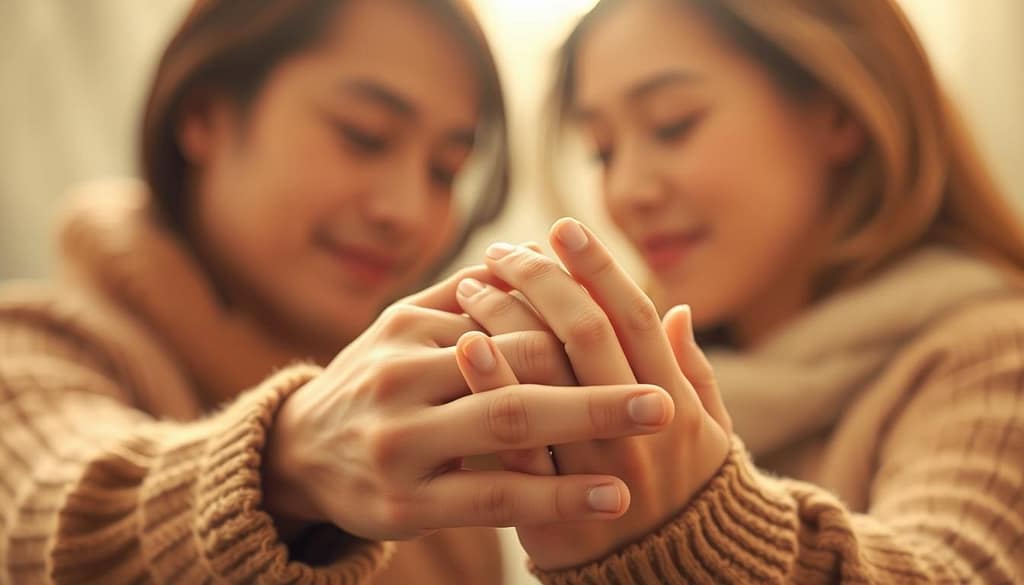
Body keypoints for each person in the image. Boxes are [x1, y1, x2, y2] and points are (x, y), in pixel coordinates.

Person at [0, 1, 677, 582]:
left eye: (446, 170)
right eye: (364, 136)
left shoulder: (447, 423)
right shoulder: (34, 352)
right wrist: (279, 465)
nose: (409, 212)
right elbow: (48, 516)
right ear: (202, 116)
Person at [447, 0, 1024, 582]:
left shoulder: (996, 355)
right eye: (603, 152)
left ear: (837, 113)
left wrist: (688, 528)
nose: (625, 192)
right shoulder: (630, 398)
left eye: (673, 124)